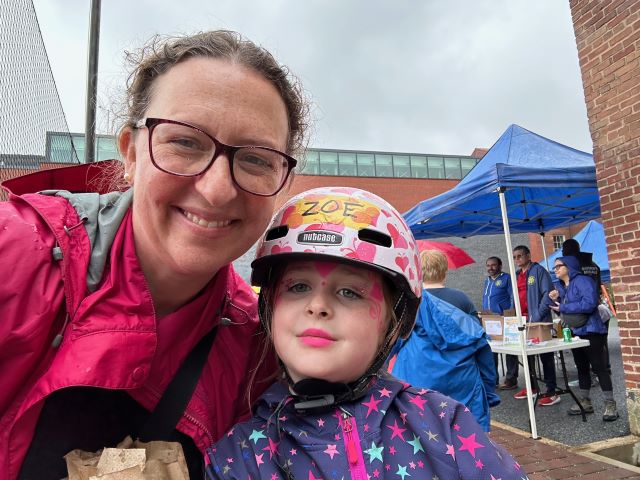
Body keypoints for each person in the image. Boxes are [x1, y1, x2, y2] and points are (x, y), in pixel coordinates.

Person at [0, 30, 309, 479]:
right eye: (184, 142)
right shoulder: (17, 251)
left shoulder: (258, 353)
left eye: (256, 159)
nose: (217, 188)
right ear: (130, 152)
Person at [205, 187, 526, 479]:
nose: (317, 306)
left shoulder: (446, 426)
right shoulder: (240, 456)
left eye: (349, 292)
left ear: (395, 319)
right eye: (298, 286)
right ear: (269, 308)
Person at [392, 250, 499, 431]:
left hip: (418, 378)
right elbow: (479, 344)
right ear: (445, 271)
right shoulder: (462, 300)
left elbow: (393, 343)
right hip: (462, 380)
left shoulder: (411, 303)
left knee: (422, 434)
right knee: (464, 434)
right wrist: (489, 390)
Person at [547, 256, 618, 421]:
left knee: (599, 367)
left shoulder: (583, 281)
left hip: (592, 330)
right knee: (581, 367)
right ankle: (585, 401)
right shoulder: (563, 287)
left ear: (569, 266)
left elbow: (590, 304)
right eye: (554, 267)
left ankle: (610, 403)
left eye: (558, 266)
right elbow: (566, 312)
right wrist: (556, 301)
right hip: (575, 331)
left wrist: (563, 305)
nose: (555, 269)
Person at [506, 246, 560, 406]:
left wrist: (537, 315)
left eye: (520, 256)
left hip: (538, 322)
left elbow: (548, 294)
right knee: (527, 356)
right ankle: (532, 388)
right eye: (515, 257)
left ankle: (552, 391)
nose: (517, 259)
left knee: (546, 357)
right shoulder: (516, 275)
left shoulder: (539, 271)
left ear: (528, 255)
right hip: (522, 323)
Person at [482, 256, 514, 389]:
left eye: (493, 265)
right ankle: (492, 379)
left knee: (510, 349)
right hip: (490, 321)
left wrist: (510, 314)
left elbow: (513, 296)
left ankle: (511, 379)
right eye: (488, 265)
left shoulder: (507, 278)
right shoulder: (487, 281)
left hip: (504, 319)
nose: (490, 268)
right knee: (491, 350)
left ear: (500, 265)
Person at [420, 249, 478, 318]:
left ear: (419, 271)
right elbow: (474, 325)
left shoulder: (410, 301)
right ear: (445, 271)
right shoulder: (461, 298)